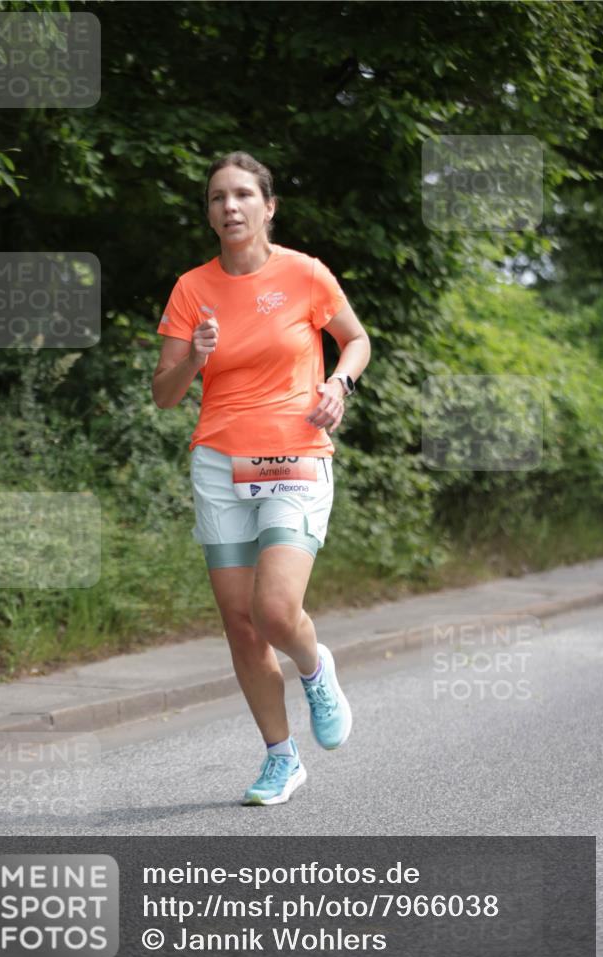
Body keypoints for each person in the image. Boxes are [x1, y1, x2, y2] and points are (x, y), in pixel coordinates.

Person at [153, 151, 371, 805]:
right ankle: (281, 758)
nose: (230, 206)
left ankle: (314, 666)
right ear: (209, 213)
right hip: (220, 464)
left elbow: (356, 340)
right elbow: (164, 394)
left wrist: (339, 384)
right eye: (217, 197)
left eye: (243, 194)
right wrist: (193, 358)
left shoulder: (304, 274)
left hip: (295, 455)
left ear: (268, 206)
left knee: (273, 610)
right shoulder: (191, 289)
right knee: (241, 624)